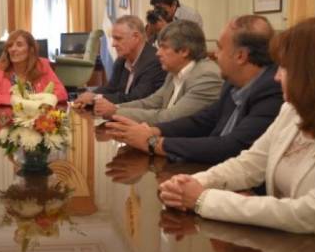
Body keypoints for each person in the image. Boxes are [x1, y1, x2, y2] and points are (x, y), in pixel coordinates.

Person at [159, 17, 315, 238]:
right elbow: (250, 164)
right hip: (288, 248)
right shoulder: (291, 111)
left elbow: (310, 213)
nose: (277, 76)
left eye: (285, 68)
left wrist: (203, 199)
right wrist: (193, 182)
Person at [104, 15, 283, 164]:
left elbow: (230, 146)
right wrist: (154, 131)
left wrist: (153, 143)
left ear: (241, 56)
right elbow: (203, 121)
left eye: (220, 48)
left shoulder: (271, 91)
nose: (215, 54)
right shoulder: (233, 83)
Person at [94, 19, 222, 124]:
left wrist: (116, 112)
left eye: (164, 47)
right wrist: (115, 108)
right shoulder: (174, 71)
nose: (158, 53)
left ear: (184, 51)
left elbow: (170, 117)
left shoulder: (206, 76)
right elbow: (151, 102)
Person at [74, 15, 165, 107]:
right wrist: (89, 95)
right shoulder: (121, 60)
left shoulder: (154, 61)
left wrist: (95, 98)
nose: (113, 44)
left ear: (136, 37)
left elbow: (136, 98)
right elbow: (110, 88)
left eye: (118, 39)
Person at [0, 29, 68, 106]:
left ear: (30, 49)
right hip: (9, 118)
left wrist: (39, 100)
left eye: (19, 45)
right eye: (10, 45)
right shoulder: (0, 69)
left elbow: (62, 94)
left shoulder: (42, 66)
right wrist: (13, 100)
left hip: (38, 117)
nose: (13, 49)